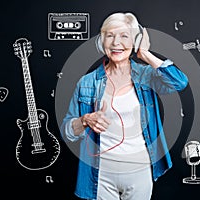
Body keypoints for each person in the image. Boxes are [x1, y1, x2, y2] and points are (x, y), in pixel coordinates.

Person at [60, 12, 188, 200]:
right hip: (100, 174)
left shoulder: (147, 76)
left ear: (135, 40)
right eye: (110, 36)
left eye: (124, 36)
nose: (115, 43)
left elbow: (179, 82)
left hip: (139, 170)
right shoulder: (87, 83)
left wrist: (144, 54)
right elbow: (67, 131)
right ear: (102, 41)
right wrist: (85, 120)